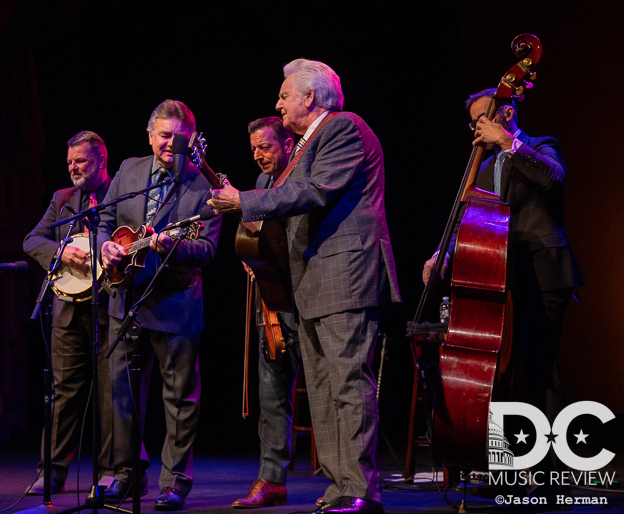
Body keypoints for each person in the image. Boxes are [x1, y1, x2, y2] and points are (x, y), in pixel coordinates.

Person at [208, 59, 399, 514]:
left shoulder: (343, 128)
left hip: (345, 276)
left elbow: (314, 191)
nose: (277, 103)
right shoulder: (306, 143)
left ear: (309, 97)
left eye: (284, 95)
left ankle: (359, 490)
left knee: (347, 383)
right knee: (323, 389)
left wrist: (245, 201)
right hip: (315, 282)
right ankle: (339, 487)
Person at [422, 89, 583, 452]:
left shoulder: (540, 146)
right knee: (502, 373)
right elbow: (468, 220)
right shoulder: (483, 168)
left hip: (543, 274)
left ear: (506, 114)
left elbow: (554, 179)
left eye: (483, 119)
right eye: (474, 122)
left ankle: (550, 467)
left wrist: (509, 143)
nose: (477, 129)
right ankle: (510, 462)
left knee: (540, 367)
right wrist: (441, 254)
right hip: (500, 279)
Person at [98, 99, 222, 511]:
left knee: (179, 398)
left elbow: (206, 248)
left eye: (179, 137)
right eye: (164, 135)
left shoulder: (208, 184)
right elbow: (104, 220)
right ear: (150, 135)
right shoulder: (129, 170)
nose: (171, 143)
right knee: (122, 392)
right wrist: (106, 249)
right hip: (126, 297)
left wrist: (175, 246)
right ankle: (126, 474)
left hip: (174, 303)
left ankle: (175, 482)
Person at [23, 131, 114, 494]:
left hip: (108, 305)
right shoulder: (62, 200)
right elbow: (32, 239)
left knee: (112, 390)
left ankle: (113, 471)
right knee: (64, 391)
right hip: (66, 310)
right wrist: (61, 252)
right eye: (70, 163)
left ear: (101, 161)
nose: (73, 168)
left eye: (81, 161)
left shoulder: (118, 195)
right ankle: (52, 470)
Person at [231, 117, 302, 509]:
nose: (259, 156)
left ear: (288, 144)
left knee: (326, 393)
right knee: (272, 393)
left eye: (266, 147)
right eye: (254, 149)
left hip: (308, 301)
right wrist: (251, 256)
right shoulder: (259, 186)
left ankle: (344, 481)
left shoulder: (303, 175)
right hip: (273, 304)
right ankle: (271, 480)